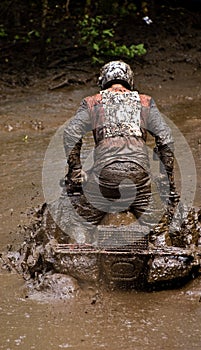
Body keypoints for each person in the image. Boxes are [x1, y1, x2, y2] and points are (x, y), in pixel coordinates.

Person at [63, 60, 179, 241]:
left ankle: (78, 261)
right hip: (139, 176)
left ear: (103, 81)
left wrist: (75, 172)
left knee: (80, 223)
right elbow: (166, 138)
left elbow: (71, 133)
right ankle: (164, 259)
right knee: (158, 229)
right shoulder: (145, 102)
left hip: (104, 176)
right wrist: (167, 177)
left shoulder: (92, 102)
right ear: (130, 81)